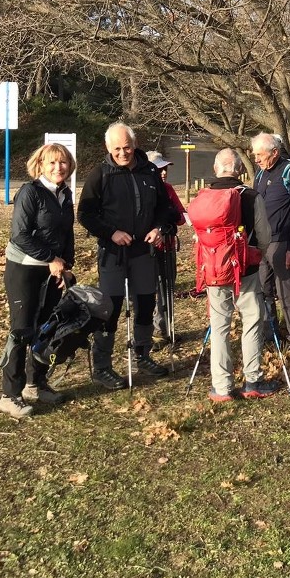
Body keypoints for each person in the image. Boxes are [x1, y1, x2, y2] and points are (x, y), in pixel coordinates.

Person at [78, 123, 177, 389]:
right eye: (117, 149)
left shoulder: (150, 172)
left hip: (144, 252)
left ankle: (142, 354)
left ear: (135, 144)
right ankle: (102, 366)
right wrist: (111, 233)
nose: (123, 153)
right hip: (114, 254)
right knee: (110, 309)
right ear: (108, 149)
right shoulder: (100, 175)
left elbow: (165, 209)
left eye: (127, 147)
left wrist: (159, 228)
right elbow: (85, 215)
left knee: (145, 303)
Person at [0, 143, 76, 418]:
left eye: (63, 162)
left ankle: (36, 383)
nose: (59, 168)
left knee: (46, 329)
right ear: (40, 165)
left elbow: (67, 233)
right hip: (24, 269)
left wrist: (65, 265)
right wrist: (49, 259)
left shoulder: (65, 194)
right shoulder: (30, 192)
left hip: (52, 272)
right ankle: (9, 394)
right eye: (52, 163)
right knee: (22, 330)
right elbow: (20, 235)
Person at [193, 148, 279, 401]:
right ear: (240, 169)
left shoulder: (203, 196)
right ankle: (252, 380)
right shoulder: (251, 196)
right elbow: (264, 236)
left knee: (219, 326)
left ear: (215, 169)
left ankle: (221, 387)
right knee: (251, 322)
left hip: (213, 271)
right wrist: (255, 256)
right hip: (246, 271)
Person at [251, 132, 290, 352]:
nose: (256, 159)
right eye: (254, 154)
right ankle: (271, 335)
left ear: (275, 152)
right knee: (263, 290)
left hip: (283, 243)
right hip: (261, 244)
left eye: (260, 154)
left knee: (287, 292)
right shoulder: (259, 174)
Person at [148, 151, 189, 349]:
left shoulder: (169, 189)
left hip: (168, 245)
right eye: (159, 169)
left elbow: (181, 216)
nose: (164, 173)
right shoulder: (143, 191)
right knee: (151, 289)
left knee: (167, 287)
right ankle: (151, 331)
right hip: (147, 249)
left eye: (165, 169)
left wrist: (171, 216)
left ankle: (164, 328)